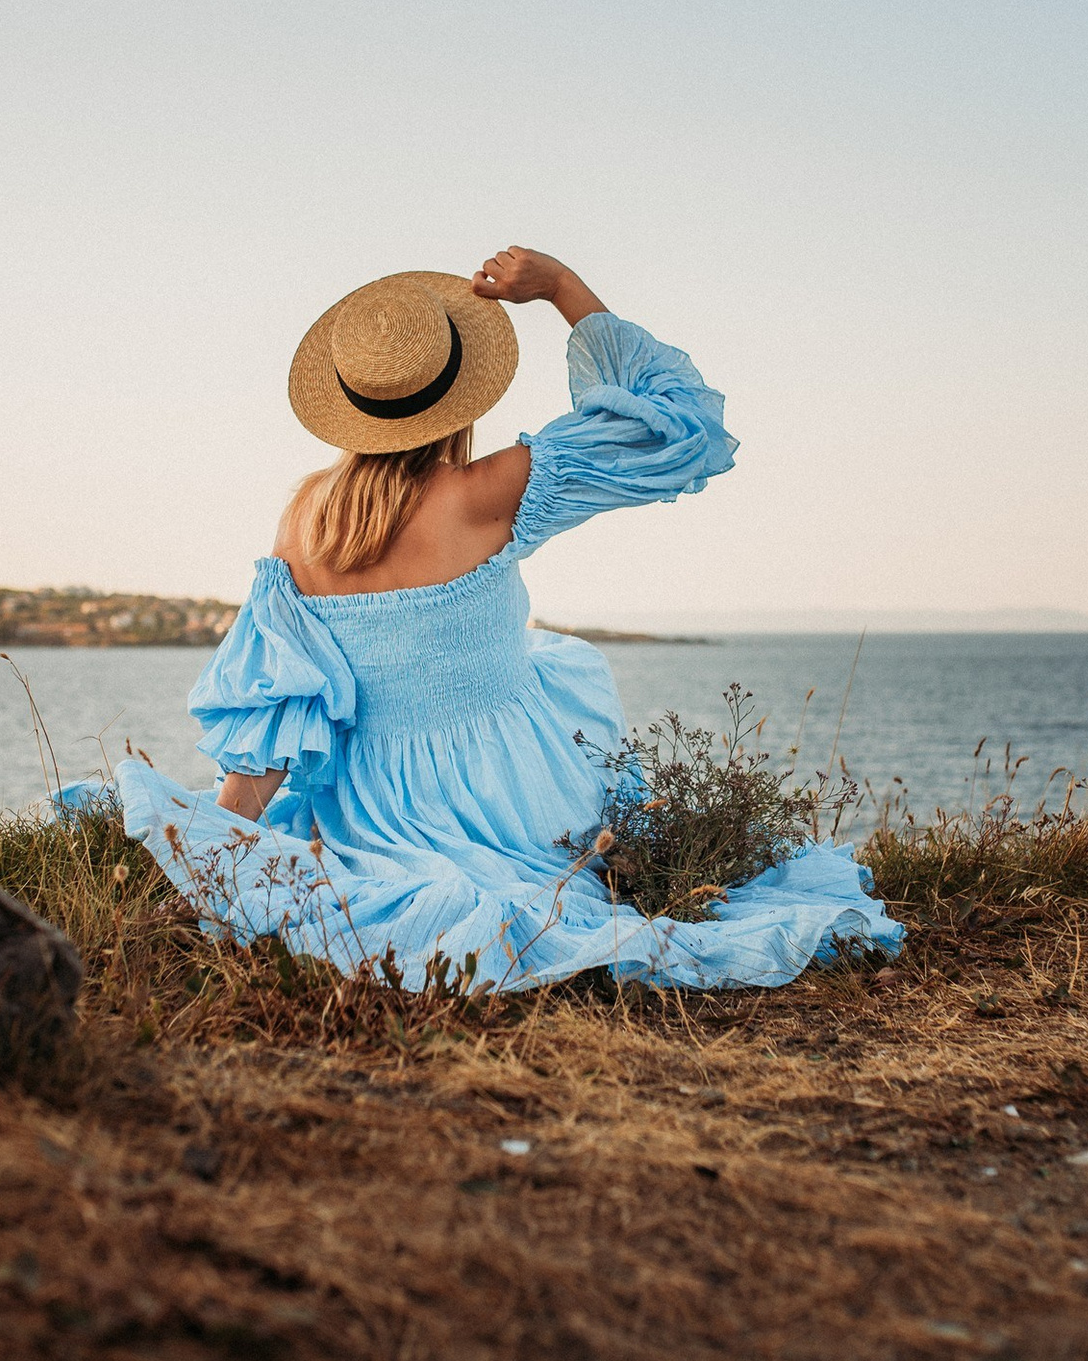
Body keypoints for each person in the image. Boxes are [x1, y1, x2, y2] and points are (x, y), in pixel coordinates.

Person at [57, 248, 902, 989]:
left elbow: (277, 714)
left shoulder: (304, 521)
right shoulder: (485, 492)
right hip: (511, 794)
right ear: (459, 396)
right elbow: (679, 424)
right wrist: (563, 286)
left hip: (370, 808)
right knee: (561, 683)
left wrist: (222, 848)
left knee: (548, 666)